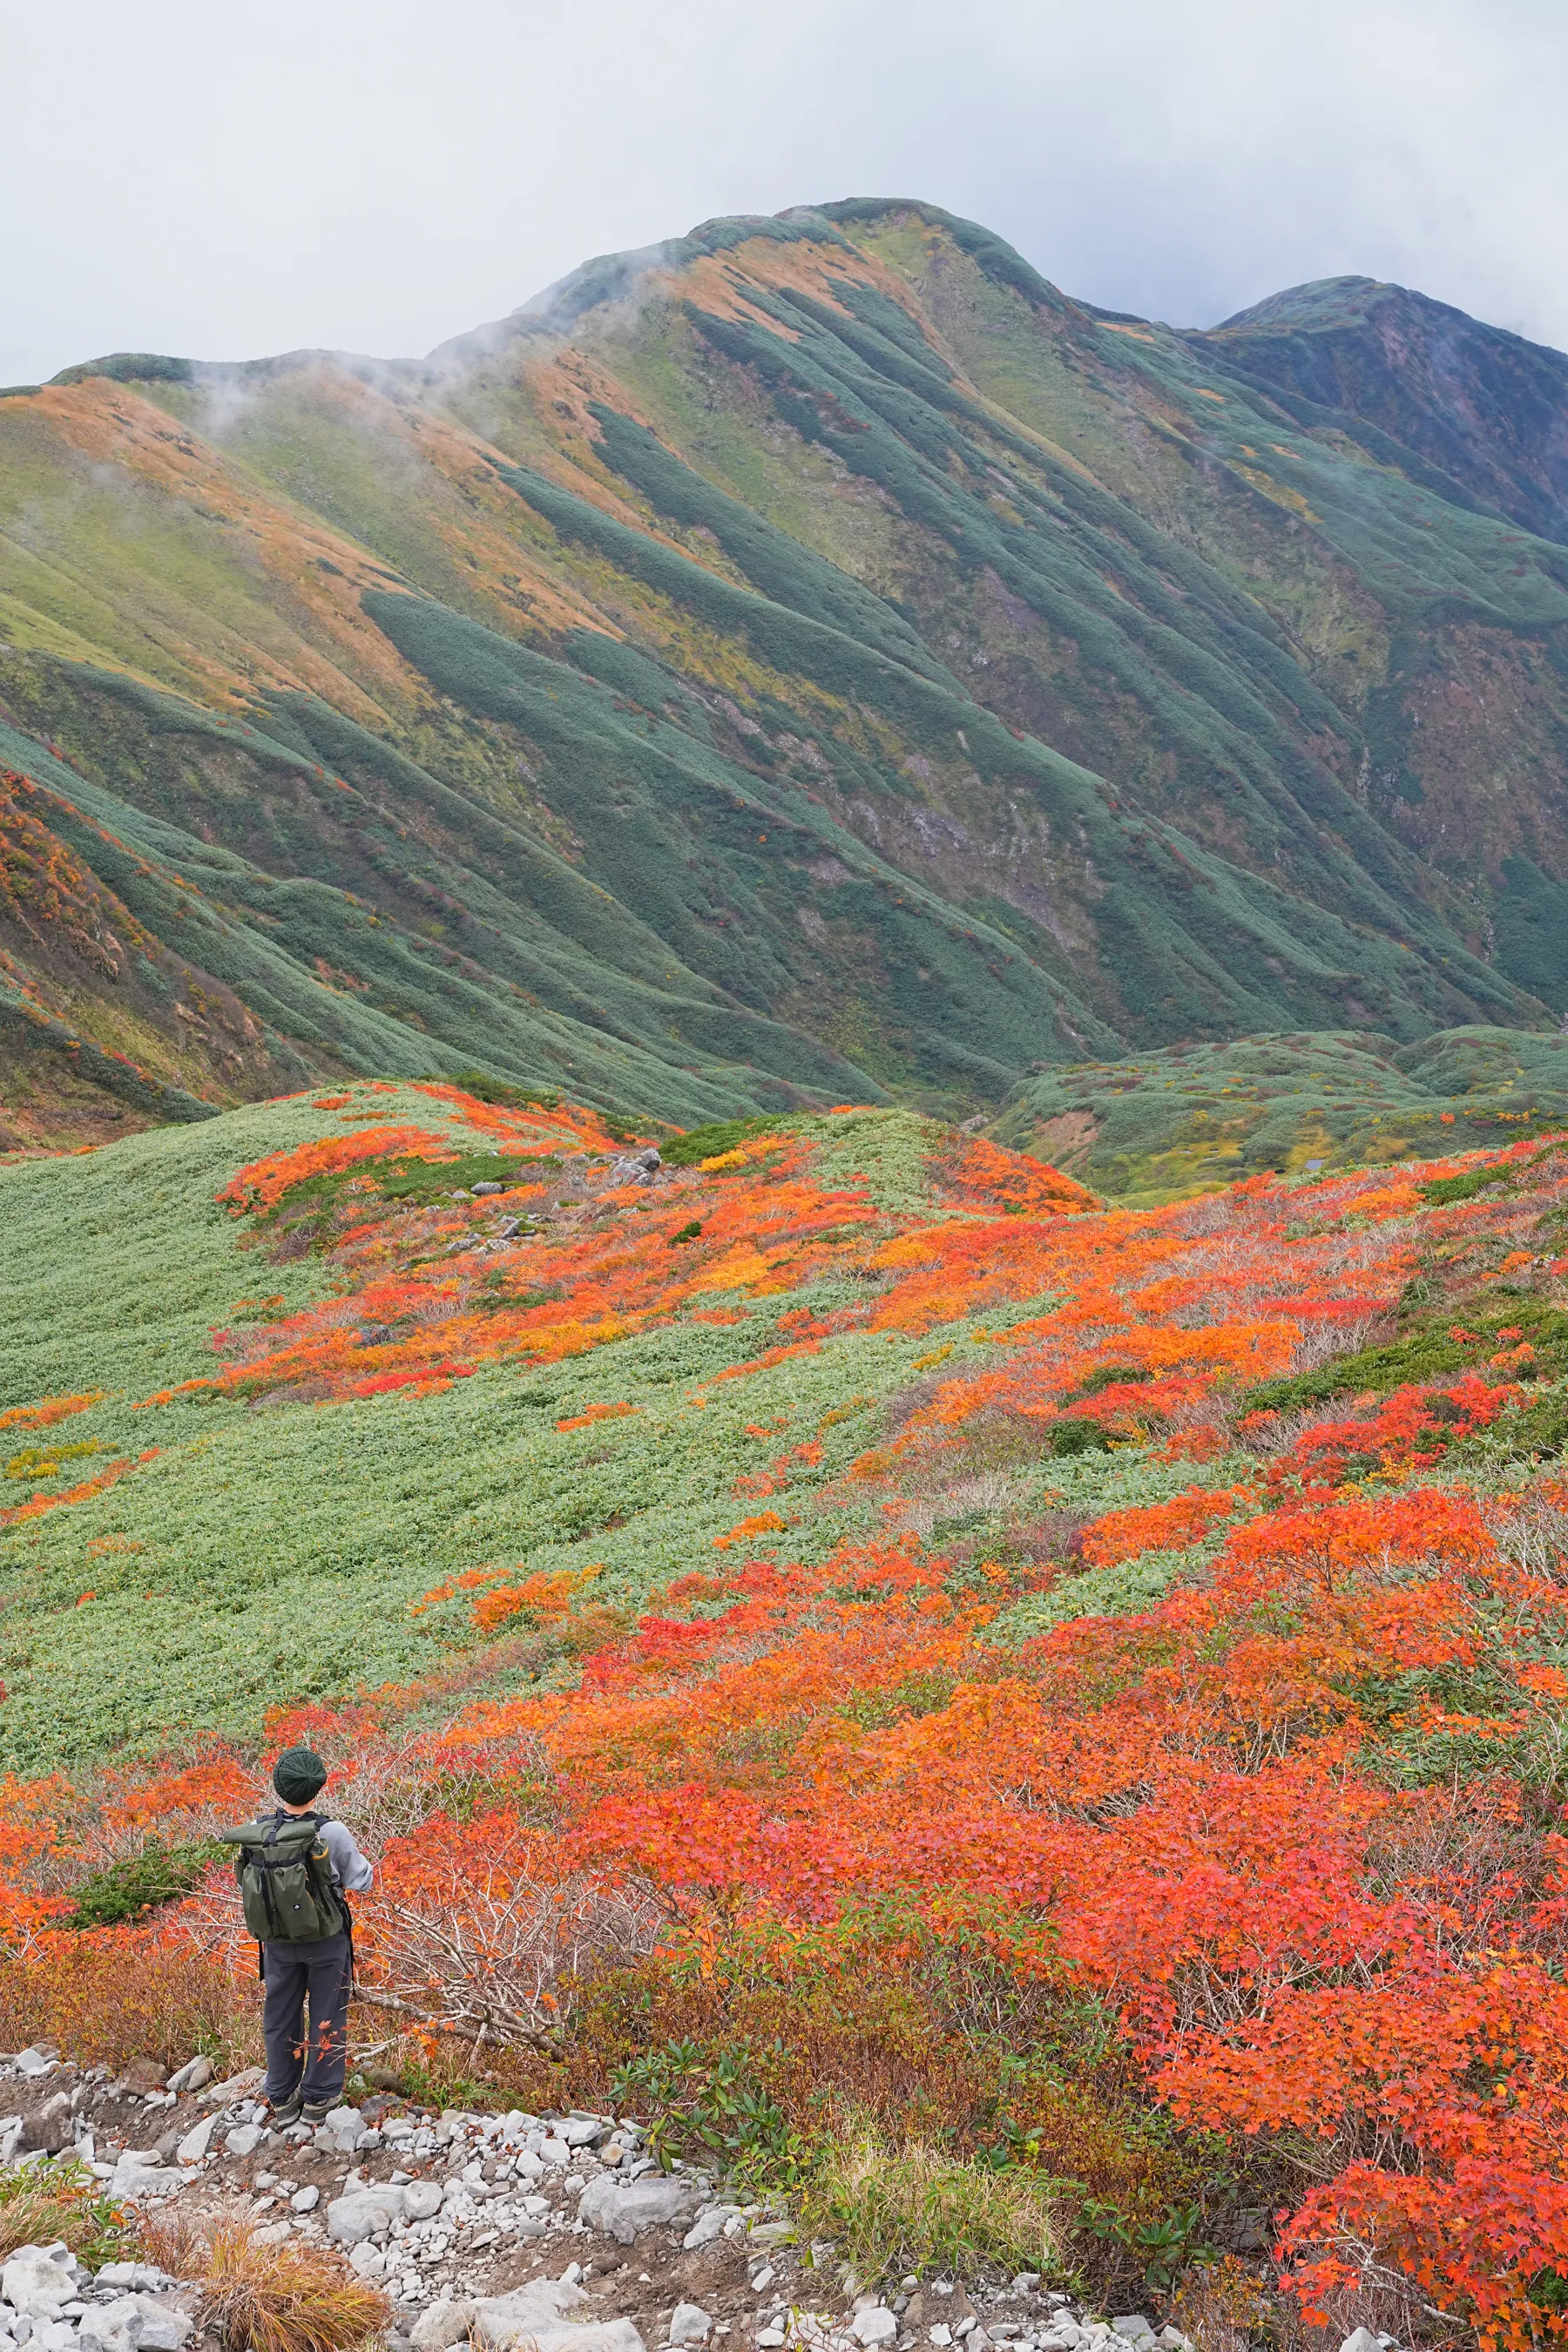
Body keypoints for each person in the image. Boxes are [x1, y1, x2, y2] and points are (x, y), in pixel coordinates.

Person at [248, 1745, 374, 2126]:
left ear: (278, 1788)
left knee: (280, 2014)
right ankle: (320, 2099)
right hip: (326, 1939)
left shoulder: (258, 1829)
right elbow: (361, 1880)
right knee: (328, 2013)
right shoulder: (331, 1831)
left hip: (278, 1942)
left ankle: (283, 2097)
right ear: (318, 1787)